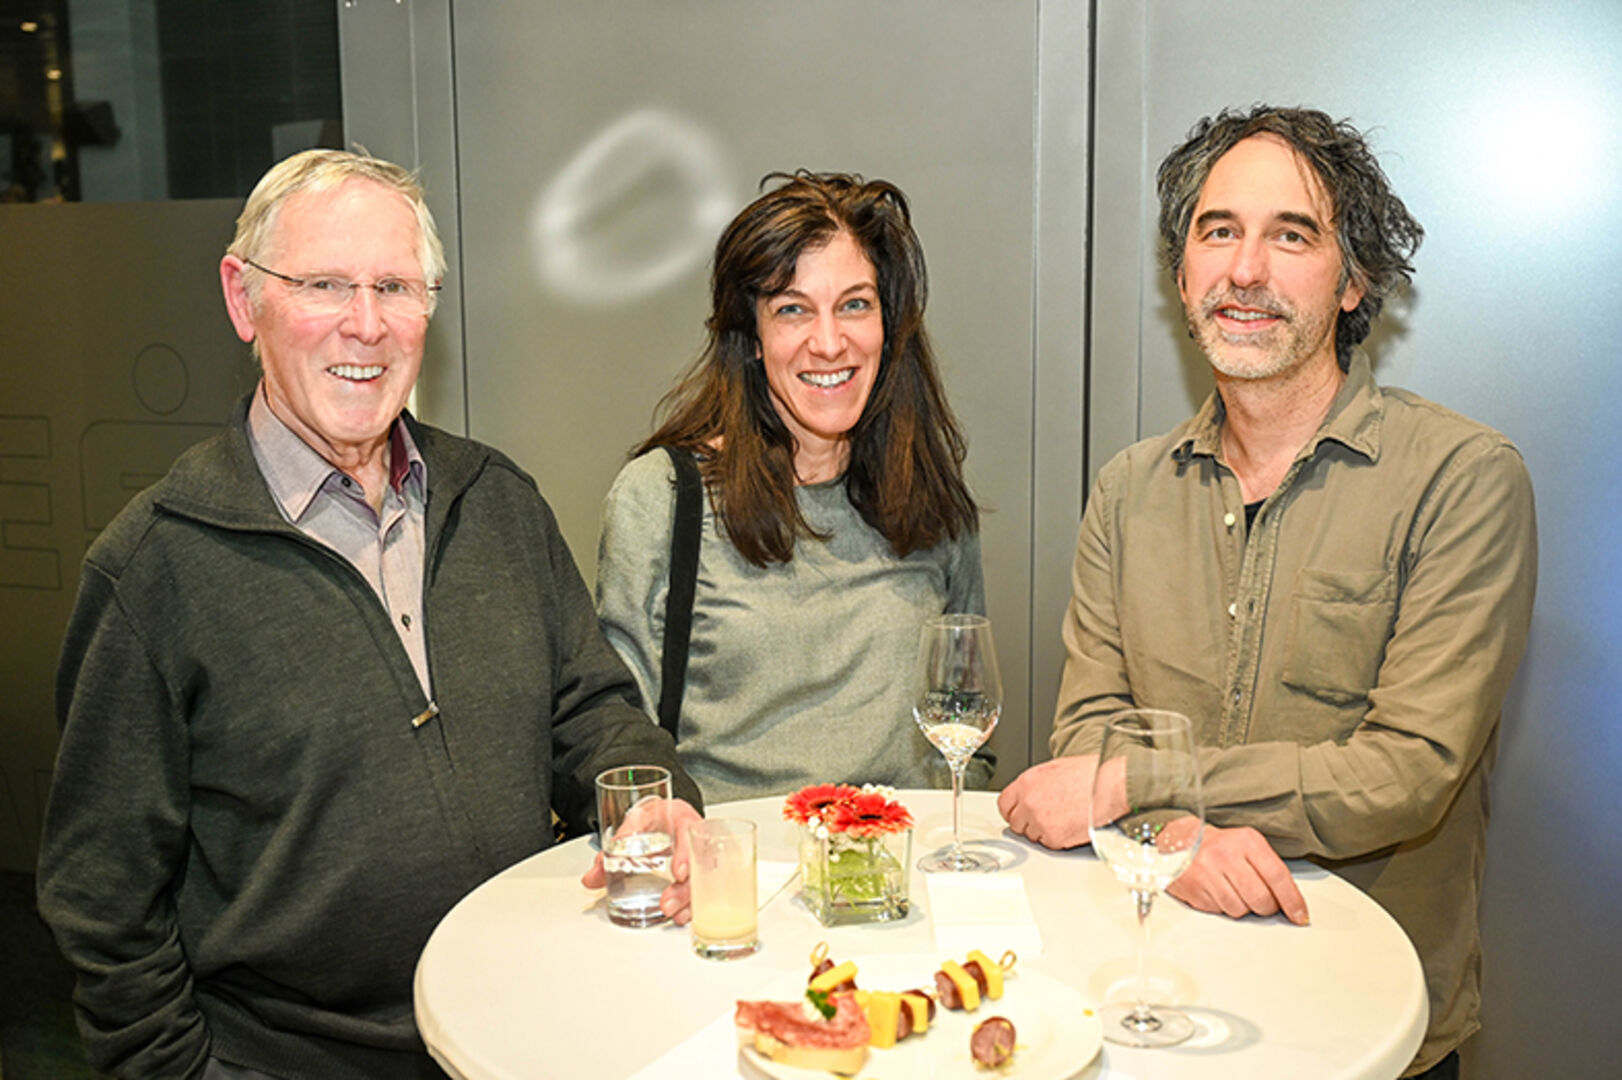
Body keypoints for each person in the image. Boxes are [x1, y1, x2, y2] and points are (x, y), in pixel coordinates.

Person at [36, 149, 702, 1080]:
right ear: (243, 299)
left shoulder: (496, 500)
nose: (366, 325)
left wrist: (653, 795)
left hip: (528, 1027)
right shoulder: (155, 569)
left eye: (395, 285)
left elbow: (588, 710)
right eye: (323, 284)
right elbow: (104, 907)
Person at [998, 106, 1536, 1079]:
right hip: (1145, 1007)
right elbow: (1082, 733)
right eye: (1217, 231)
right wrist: (1180, 831)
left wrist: (1135, 789)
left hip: (1367, 1027)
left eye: (1290, 234)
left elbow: (1402, 772)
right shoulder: (1126, 490)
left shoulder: (1460, 477)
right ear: (1180, 273)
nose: (1244, 270)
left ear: (1353, 279)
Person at [594, 171, 988, 804]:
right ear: (751, 337)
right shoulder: (663, 499)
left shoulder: (932, 499)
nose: (829, 342)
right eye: (792, 309)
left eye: (855, 304)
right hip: (733, 884)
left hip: (902, 879)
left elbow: (968, 724)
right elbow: (620, 749)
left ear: (889, 328)